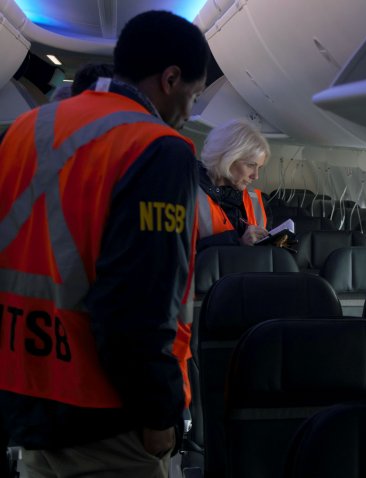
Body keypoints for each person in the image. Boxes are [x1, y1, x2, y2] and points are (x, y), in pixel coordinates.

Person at [0, 10, 208, 478]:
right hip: (107, 414)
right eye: (193, 95)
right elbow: (138, 303)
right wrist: (158, 410)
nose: (190, 113)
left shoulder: (22, 132)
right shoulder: (158, 148)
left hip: (27, 395)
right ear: (170, 78)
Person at [197, 118, 272, 251]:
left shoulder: (258, 200)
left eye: (259, 167)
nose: (256, 176)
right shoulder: (186, 194)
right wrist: (237, 243)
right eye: (250, 165)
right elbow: (179, 254)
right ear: (227, 158)